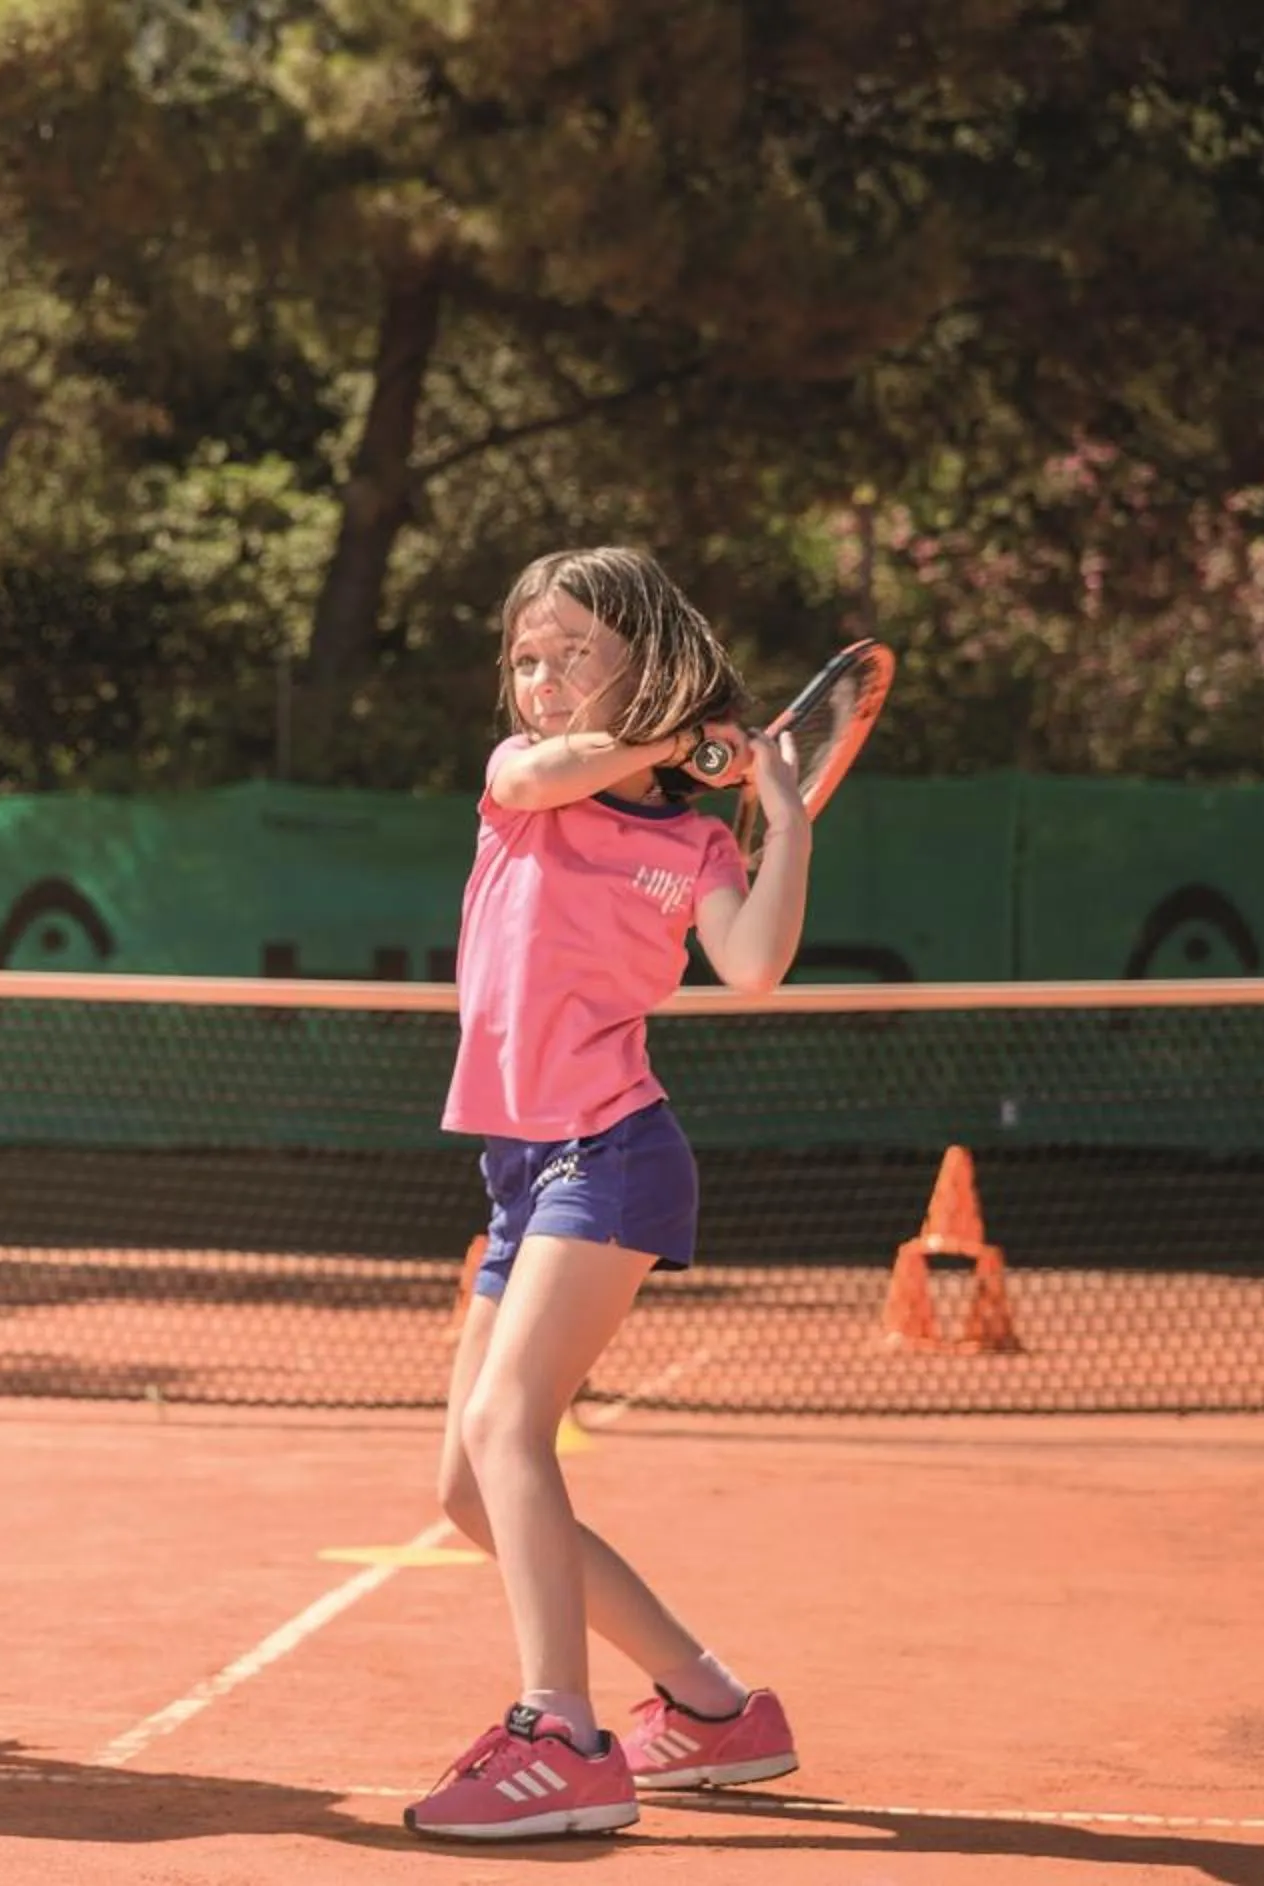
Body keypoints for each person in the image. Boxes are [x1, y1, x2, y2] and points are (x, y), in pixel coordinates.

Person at [405, 547, 810, 1841]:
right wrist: (684, 736)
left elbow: (751, 966)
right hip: (522, 1169)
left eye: (574, 652)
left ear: (651, 661)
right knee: (469, 1486)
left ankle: (562, 1735)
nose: (540, 679)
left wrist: (786, 818)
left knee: (509, 1425)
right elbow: (549, 767)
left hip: (612, 1150)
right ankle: (712, 1708)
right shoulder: (522, 785)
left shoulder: (696, 841)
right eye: (526, 657)